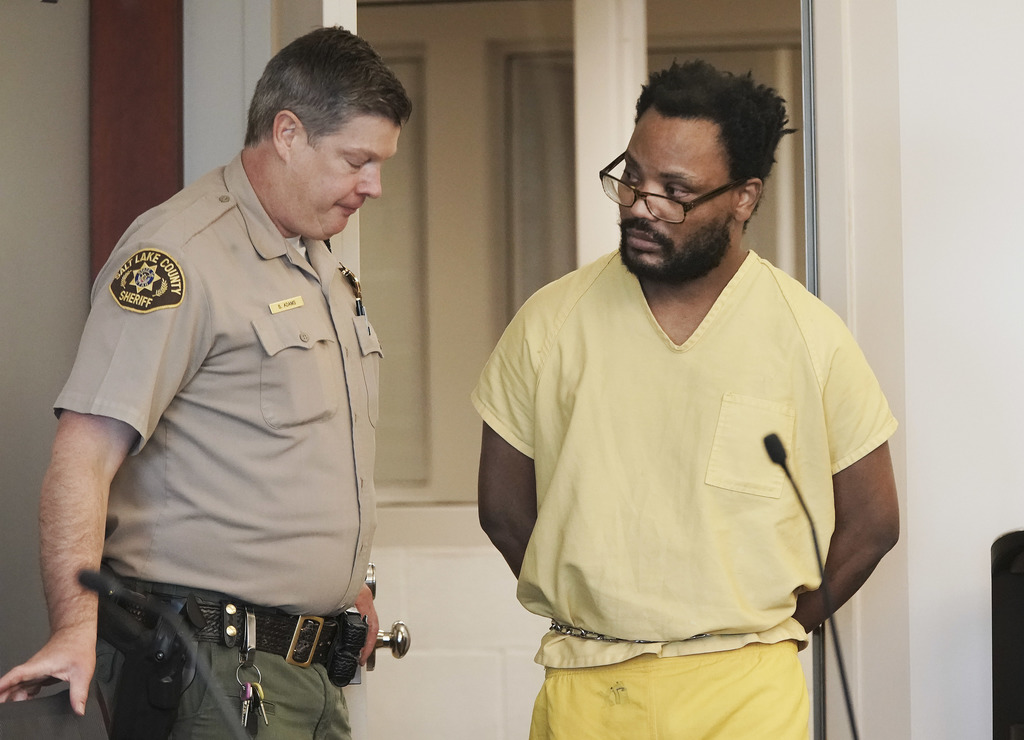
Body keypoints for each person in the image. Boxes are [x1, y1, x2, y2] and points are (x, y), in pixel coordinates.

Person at [0, 26, 411, 739]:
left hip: (307, 669)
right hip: (212, 668)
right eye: (357, 161)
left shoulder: (319, 262)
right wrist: (74, 626)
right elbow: (82, 455)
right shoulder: (178, 256)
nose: (373, 185)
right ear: (288, 134)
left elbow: (308, 458)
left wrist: (349, 584)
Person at [472, 60, 899, 739]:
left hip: (747, 692)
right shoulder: (550, 322)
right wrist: (601, 609)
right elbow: (502, 509)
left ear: (744, 198)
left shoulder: (810, 336)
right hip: (588, 684)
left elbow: (872, 522)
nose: (641, 205)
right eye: (632, 177)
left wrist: (769, 633)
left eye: (675, 192)